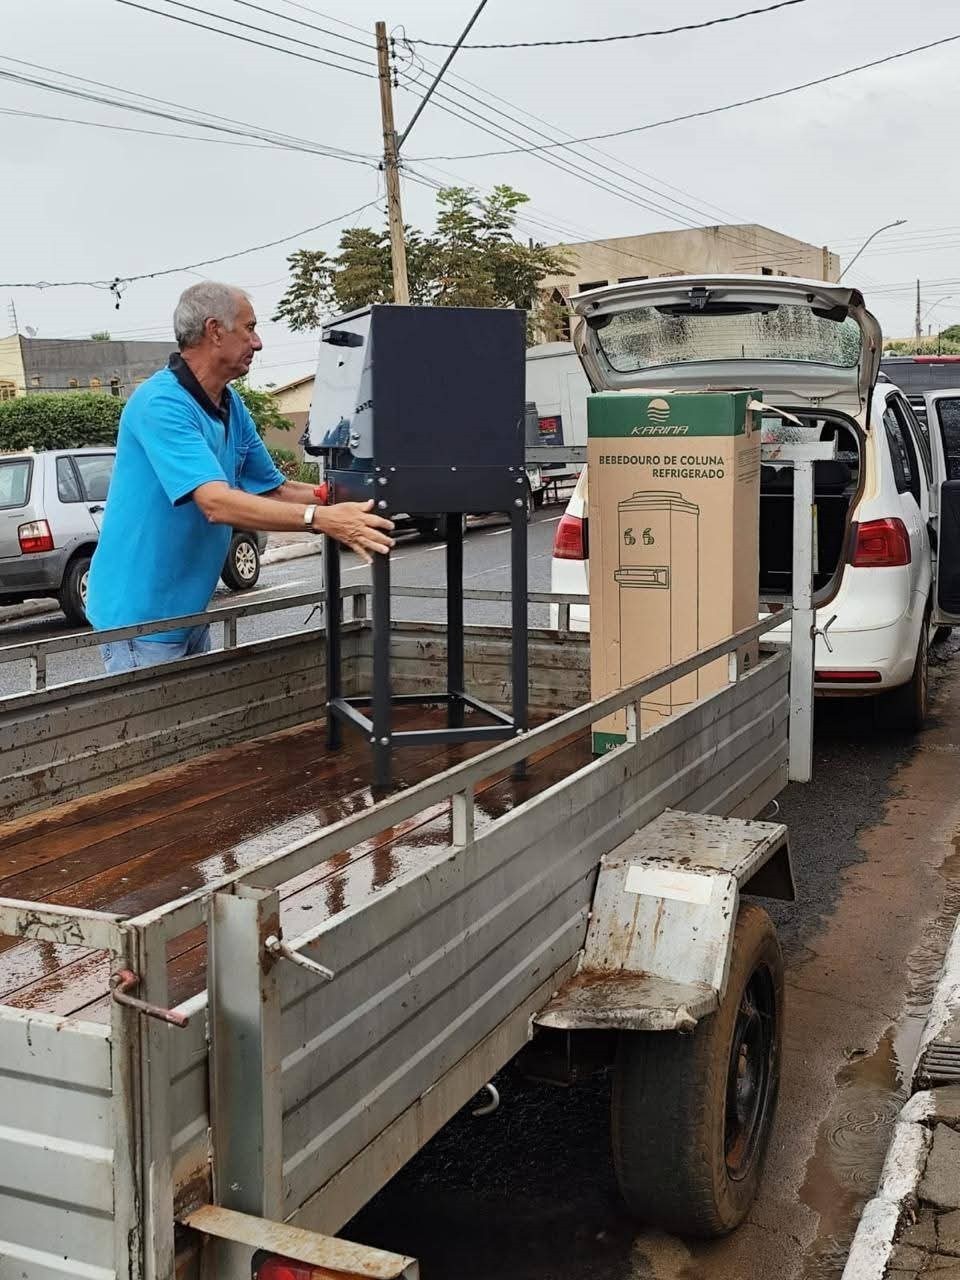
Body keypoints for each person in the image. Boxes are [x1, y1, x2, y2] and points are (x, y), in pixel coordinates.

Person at [86, 281, 393, 673]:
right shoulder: (160, 404)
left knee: (196, 712)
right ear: (215, 331)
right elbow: (215, 503)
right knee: (165, 716)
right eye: (249, 328)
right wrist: (322, 519)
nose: (258, 343)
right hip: (140, 619)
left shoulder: (229, 404)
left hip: (187, 610)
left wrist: (347, 496)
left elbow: (275, 489)